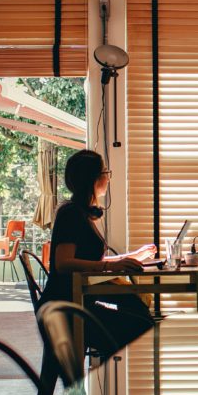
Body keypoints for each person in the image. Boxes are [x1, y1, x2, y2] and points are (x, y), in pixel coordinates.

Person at [40, 149, 154, 352]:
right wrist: (111, 265)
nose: (108, 178)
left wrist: (133, 256)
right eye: (105, 172)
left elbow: (89, 260)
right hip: (65, 309)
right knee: (143, 325)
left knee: (138, 313)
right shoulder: (71, 213)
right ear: (92, 178)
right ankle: (117, 376)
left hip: (76, 302)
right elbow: (63, 263)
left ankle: (118, 375)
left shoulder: (80, 212)